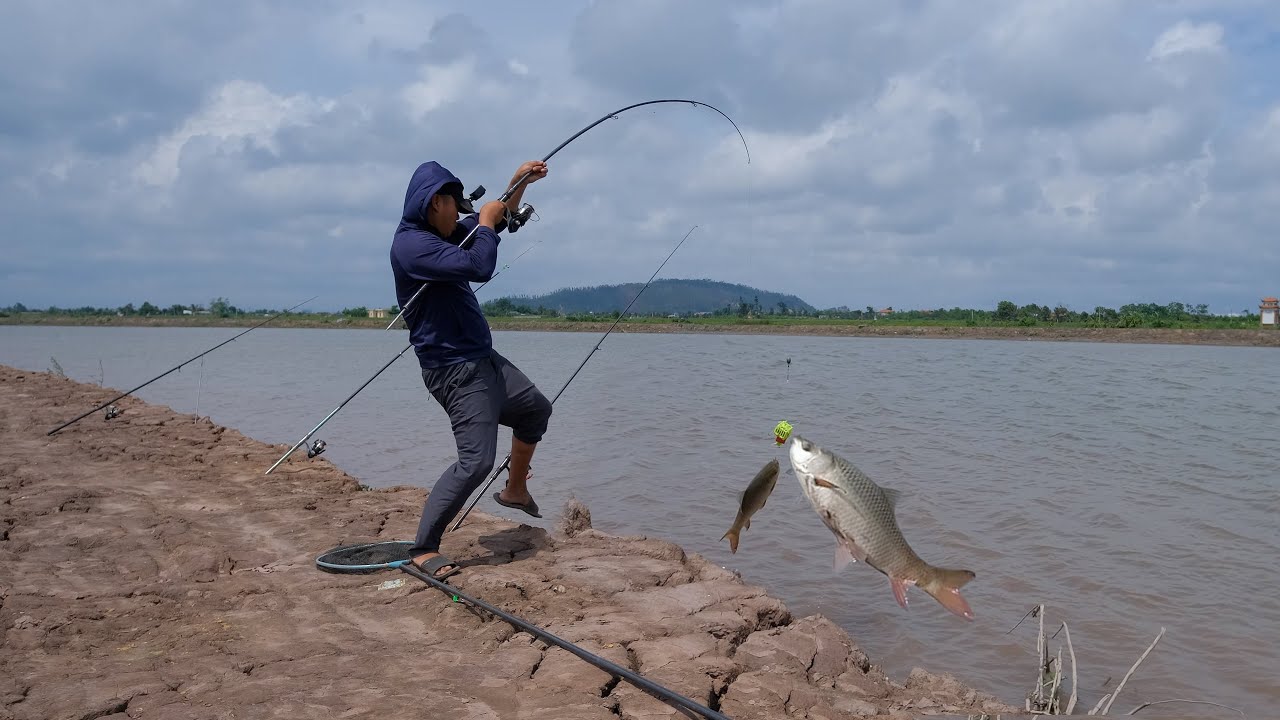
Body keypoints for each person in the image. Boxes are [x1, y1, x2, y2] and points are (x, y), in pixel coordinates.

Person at [390, 159, 552, 581]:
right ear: (434, 203)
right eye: (454, 206)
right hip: (455, 371)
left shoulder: (442, 234)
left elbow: (492, 226)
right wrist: (481, 220)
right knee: (476, 461)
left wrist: (519, 184)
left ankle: (515, 490)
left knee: (535, 409)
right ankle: (423, 549)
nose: (459, 214)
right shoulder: (412, 246)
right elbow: (480, 264)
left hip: (484, 360)